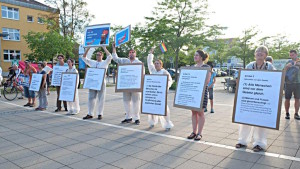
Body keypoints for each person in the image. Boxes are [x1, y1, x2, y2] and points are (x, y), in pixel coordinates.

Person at [235, 46, 276, 152]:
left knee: (261, 122)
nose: (259, 53)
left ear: (266, 55)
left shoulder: (270, 67)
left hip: (262, 100)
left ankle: (259, 144)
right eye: (257, 51)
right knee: (245, 120)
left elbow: (275, 82)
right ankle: (242, 141)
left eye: (262, 52)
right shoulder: (249, 65)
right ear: (255, 54)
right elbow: (241, 79)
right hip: (250, 98)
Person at [112, 43, 144, 125]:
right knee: (126, 101)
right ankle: (128, 117)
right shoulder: (124, 61)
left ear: (135, 54)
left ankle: (136, 118)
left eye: (133, 52)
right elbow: (115, 58)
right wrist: (114, 48)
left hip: (135, 86)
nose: (131, 53)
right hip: (126, 85)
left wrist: (140, 84)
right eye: (130, 52)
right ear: (128, 54)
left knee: (136, 102)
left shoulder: (139, 62)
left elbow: (142, 74)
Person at [82, 46, 112, 120]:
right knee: (91, 98)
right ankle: (90, 113)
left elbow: (110, 56)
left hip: (101, 82)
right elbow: (84, 58)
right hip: (93, 83)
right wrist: (88, 48)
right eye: (97, 55)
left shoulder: (105, 62)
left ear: (102, 56)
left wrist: (104, 48)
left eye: (99, 55)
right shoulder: (93, 62)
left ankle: (100, 113)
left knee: (101, 98)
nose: (98, 56)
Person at [147, 48, 174, 130]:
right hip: (153, 93)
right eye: (155, 63)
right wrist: (151, 54)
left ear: (161, 64)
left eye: (158, 63)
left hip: (161, 93)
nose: (156, 65)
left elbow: (170, 80)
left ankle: (167, 123)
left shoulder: (164, 72)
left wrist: (166, 87)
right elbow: (149, 62)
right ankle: (152, 121)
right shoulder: (152, 71)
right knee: (152, 107)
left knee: (164, 108)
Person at [187, 49, 211, 141]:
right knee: (193, 112)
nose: (195, 57)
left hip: (201, 93)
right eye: (194, 55)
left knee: (200, 113)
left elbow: (207, 81)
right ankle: (194, 132)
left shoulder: (206, 67)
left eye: (196, 55)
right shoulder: (193, 67)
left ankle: (199, 133)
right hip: (193, 92)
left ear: (201, 57)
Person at [284, 50, 300, 120]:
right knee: (287, 98)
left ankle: (296, 113)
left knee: (297, 98)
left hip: (298, 83)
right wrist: (286, 67)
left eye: (293, 55)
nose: (291, 56)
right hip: (288, 83)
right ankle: (287, 113)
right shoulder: (288, 62)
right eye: (290, 55)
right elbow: (283, 71)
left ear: (296, 54)